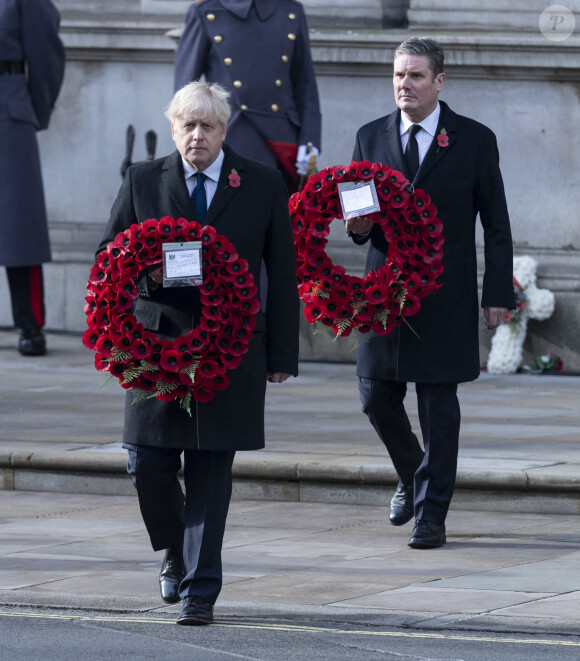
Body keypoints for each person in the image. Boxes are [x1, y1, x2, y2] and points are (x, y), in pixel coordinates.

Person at [96, 81, 299, 624]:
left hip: (230, 351)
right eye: (187, 125)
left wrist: (282, 352)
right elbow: (107, 258)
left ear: (224, 131)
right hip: (156, 345)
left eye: (207, 126)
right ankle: (173, 550)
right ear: (173, 128)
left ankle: (200, 590)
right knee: (147, 464)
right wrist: (146, 272)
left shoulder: (259, 184)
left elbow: (282, 272)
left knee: (211, 470)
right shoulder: (143, 180)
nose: (196, 136)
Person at [346, 37, 515, 550]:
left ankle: (431, 515)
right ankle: (413, 474)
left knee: (438, 404)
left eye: (416, 76)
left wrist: (498, 294)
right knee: (376, 396)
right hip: (385, 294)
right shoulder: (370, 136)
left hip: (447, 293)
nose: (405, 85)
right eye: (399, 75)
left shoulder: (475, 139)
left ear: (439, 82)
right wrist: (355, 227)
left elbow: (497, 224)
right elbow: (359, 220)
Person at [174, 0, 321, 192]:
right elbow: (185, 94)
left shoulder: (291, 10)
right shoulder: (205, 10)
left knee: (280, 216)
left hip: (282, 142)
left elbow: (305, 84)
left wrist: (309, 140)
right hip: (232, 137)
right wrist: (190, 138)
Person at [0, 0, 65, 355]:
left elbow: (46, 54)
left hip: (6, 106)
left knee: (18, 224)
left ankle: (29, 322)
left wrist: (33, 111)